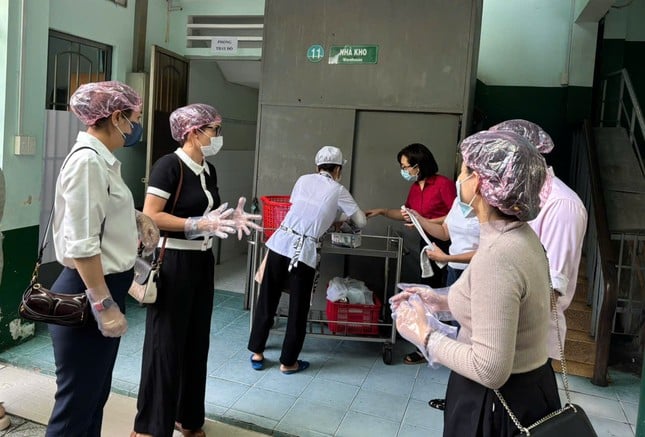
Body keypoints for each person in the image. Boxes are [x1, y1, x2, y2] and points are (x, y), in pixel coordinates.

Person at [392, 129, 561, 436]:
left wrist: (425, 335)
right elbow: (505, 304)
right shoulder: (519, 236)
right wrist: (440, 301)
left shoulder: (498, 256)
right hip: (530, 390)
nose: (459, 177)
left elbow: (489, 369)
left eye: (465, 170)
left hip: (496, 404)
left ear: (482, 183)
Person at [132, 103, 261, 437]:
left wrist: (227, 219)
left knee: (195, 342)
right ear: (192, 132)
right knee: (166, 345)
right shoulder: (168, 166)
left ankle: (187, 418)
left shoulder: (208, 169)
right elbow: (151, 215)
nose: (217, 136)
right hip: (173, 262)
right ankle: (149, 427)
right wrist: (196, 222)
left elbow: (210, 214)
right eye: (213, 129)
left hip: (201, 262)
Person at [47, 81, 159, 436]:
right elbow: (82, 244)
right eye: (134, 118)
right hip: (87, 295)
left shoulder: (102, 162)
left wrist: (135, 216)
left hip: (99, 290)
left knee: (94, 399)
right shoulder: (88, 164)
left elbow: (99, 215)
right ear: (116, 117)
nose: (136, 127)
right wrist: (104, 303)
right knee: (75, 409)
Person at [248, 146, 367, 374]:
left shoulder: (303, 179)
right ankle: (288, 362)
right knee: (298, 308)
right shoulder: (338, 189)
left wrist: (331, 218)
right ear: (339, 169)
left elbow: (303, 208)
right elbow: (360, 221)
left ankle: (257, 352)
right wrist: (342, 220)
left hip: (279, 242)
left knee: (267, 298)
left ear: (317, 166)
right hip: (303, 251)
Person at [489, 119, 588, 359]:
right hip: (500, 334)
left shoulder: (561, 205)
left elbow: (549, 290)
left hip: (529, 345)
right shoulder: (518, 200)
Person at [366, 143, 456, 365]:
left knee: (443, 297)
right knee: (427, 295)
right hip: (425, 246)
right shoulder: (416, 187)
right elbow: (407, 213)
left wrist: (422, 221)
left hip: (446, 246)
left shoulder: (443, 184)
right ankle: (427, 343)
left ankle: (445, 347)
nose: (404, 170)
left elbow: (456, 216)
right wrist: (383, 212)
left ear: (418, 164)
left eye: (406, 166)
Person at [403, 177, 480, 410]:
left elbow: (488, 251)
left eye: (468, 170)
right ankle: (458, 397)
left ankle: (466, 401)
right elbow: (445, 232)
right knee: (455, 330)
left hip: (473, 274)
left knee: (468, 336)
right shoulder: (459, 202)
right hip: (454, 274)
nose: (461, 176)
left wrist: (446, 258)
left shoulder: (486, 207)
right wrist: (419, 219)